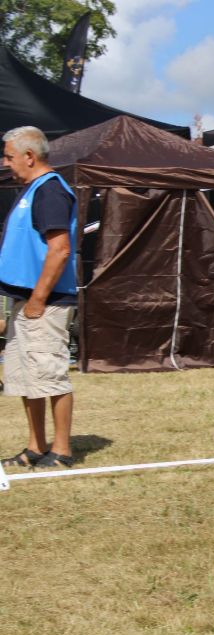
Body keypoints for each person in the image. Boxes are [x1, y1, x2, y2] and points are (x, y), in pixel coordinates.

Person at [0, 126, 77, 469]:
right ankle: (35, 446)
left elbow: (59, 250)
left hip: (45, 302)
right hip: (24, 302)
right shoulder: (32, 190)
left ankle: (61, 451)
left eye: (9, 156)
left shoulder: (50, 191)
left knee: (50, 374)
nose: (6, 163)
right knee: (27, 377)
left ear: (29, 157)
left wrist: (38, 299)